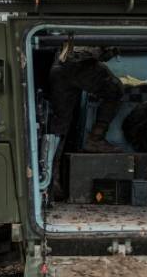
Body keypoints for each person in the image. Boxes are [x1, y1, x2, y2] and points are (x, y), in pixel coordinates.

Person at [46, 45, 124, 195]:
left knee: (60, 123)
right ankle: (95, 138)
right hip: (80, 62)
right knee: (115, 91)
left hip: (60, 63)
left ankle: (51, 179)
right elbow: (100, 52)